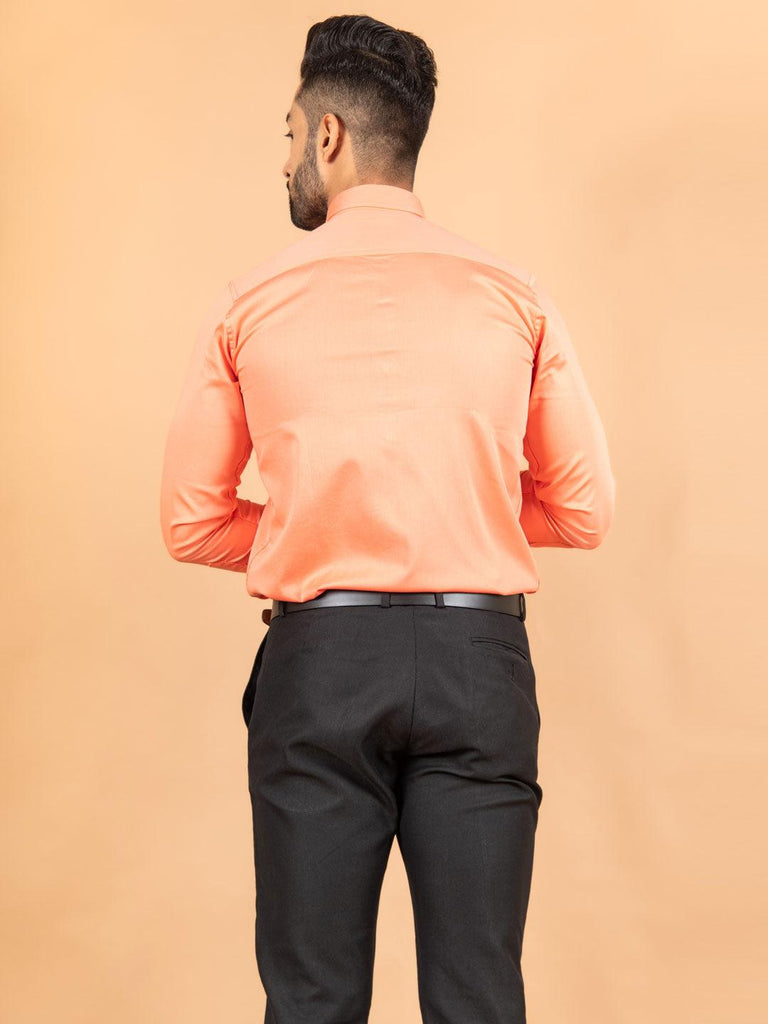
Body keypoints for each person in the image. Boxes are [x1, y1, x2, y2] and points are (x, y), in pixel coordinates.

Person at [160, 13, 615, 1024]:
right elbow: (584, 510)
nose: (285, 157)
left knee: (312, 1000)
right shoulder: (515, 296)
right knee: (480, 998)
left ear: (328, 137)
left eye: (289, 135)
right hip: (479, 663)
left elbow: (190, 522)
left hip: (319, 665)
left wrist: (319, 528)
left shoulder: (249, 300)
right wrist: (457, 511)